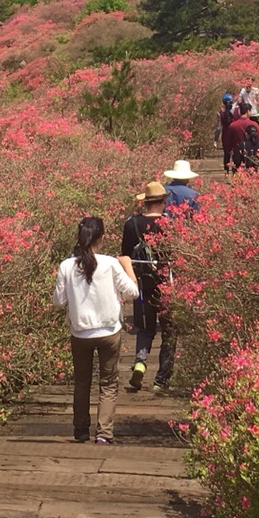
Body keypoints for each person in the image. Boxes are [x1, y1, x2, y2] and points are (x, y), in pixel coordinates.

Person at [54, 215, 140, 444]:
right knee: (109, 383)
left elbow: (58, 301)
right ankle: (104, 433)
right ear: (101, 238)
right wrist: (128, 267)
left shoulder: (66, 266)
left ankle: (81, 430)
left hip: (80, 333)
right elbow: (133, 292)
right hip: (109, 333)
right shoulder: (111, 263)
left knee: (82, 382)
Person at [120, 181, 175, 393]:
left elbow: (125, 256)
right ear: (163, 201)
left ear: (145, 202)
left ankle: (141, 364)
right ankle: (161, 380)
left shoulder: (131, 224)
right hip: (168, 284)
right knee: (169, 331)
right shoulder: (172, 223)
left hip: (142, 283)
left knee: (145, 328)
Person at [217, 94, 238, 171]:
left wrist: (216, 139)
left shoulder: (220, 113)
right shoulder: (235, 112)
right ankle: (235, 172)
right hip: (235, 134)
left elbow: (218, 127)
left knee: (226, 154)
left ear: (223, 102)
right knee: (235, 153)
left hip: (225, 135)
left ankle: (226, 172)